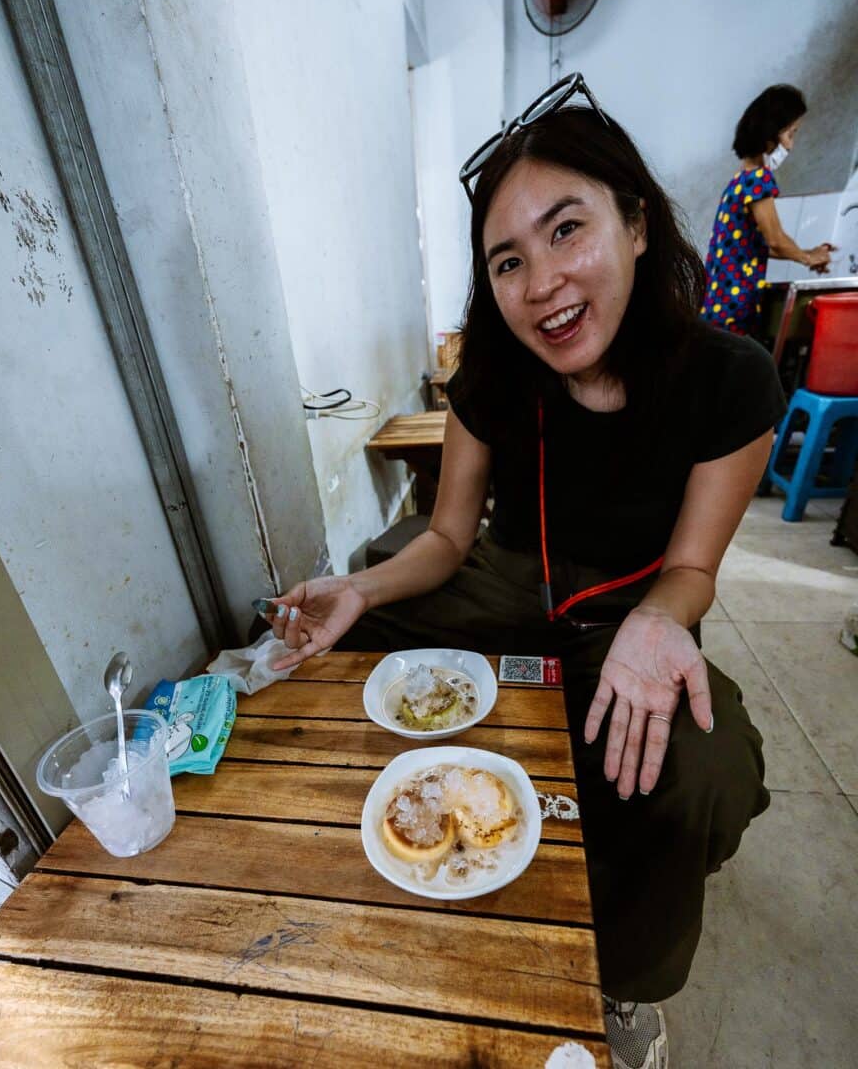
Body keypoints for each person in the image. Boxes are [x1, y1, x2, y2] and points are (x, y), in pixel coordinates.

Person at [261, 74, 785, 1069]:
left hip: (637, 600)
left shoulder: (730, 377)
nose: (539, 281)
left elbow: (693, 567)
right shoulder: (491, 381)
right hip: (511, 576)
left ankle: (627, 989)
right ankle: (416, 848)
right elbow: (447, 541)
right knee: (366, 596)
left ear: (636, 224)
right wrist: (360, 589)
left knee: (702, 773)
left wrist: (661, 619)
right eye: (508, 260)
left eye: (566, 230)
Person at [701, 84, 832, 338]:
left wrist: (808, 252)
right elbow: (776, 240)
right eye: (791, 134)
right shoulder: (758, 180)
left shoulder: (738, 181)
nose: (791, 146)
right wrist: (809, 259)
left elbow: (759, 246)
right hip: (736, 306)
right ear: (771, 135)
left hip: (716, 304)